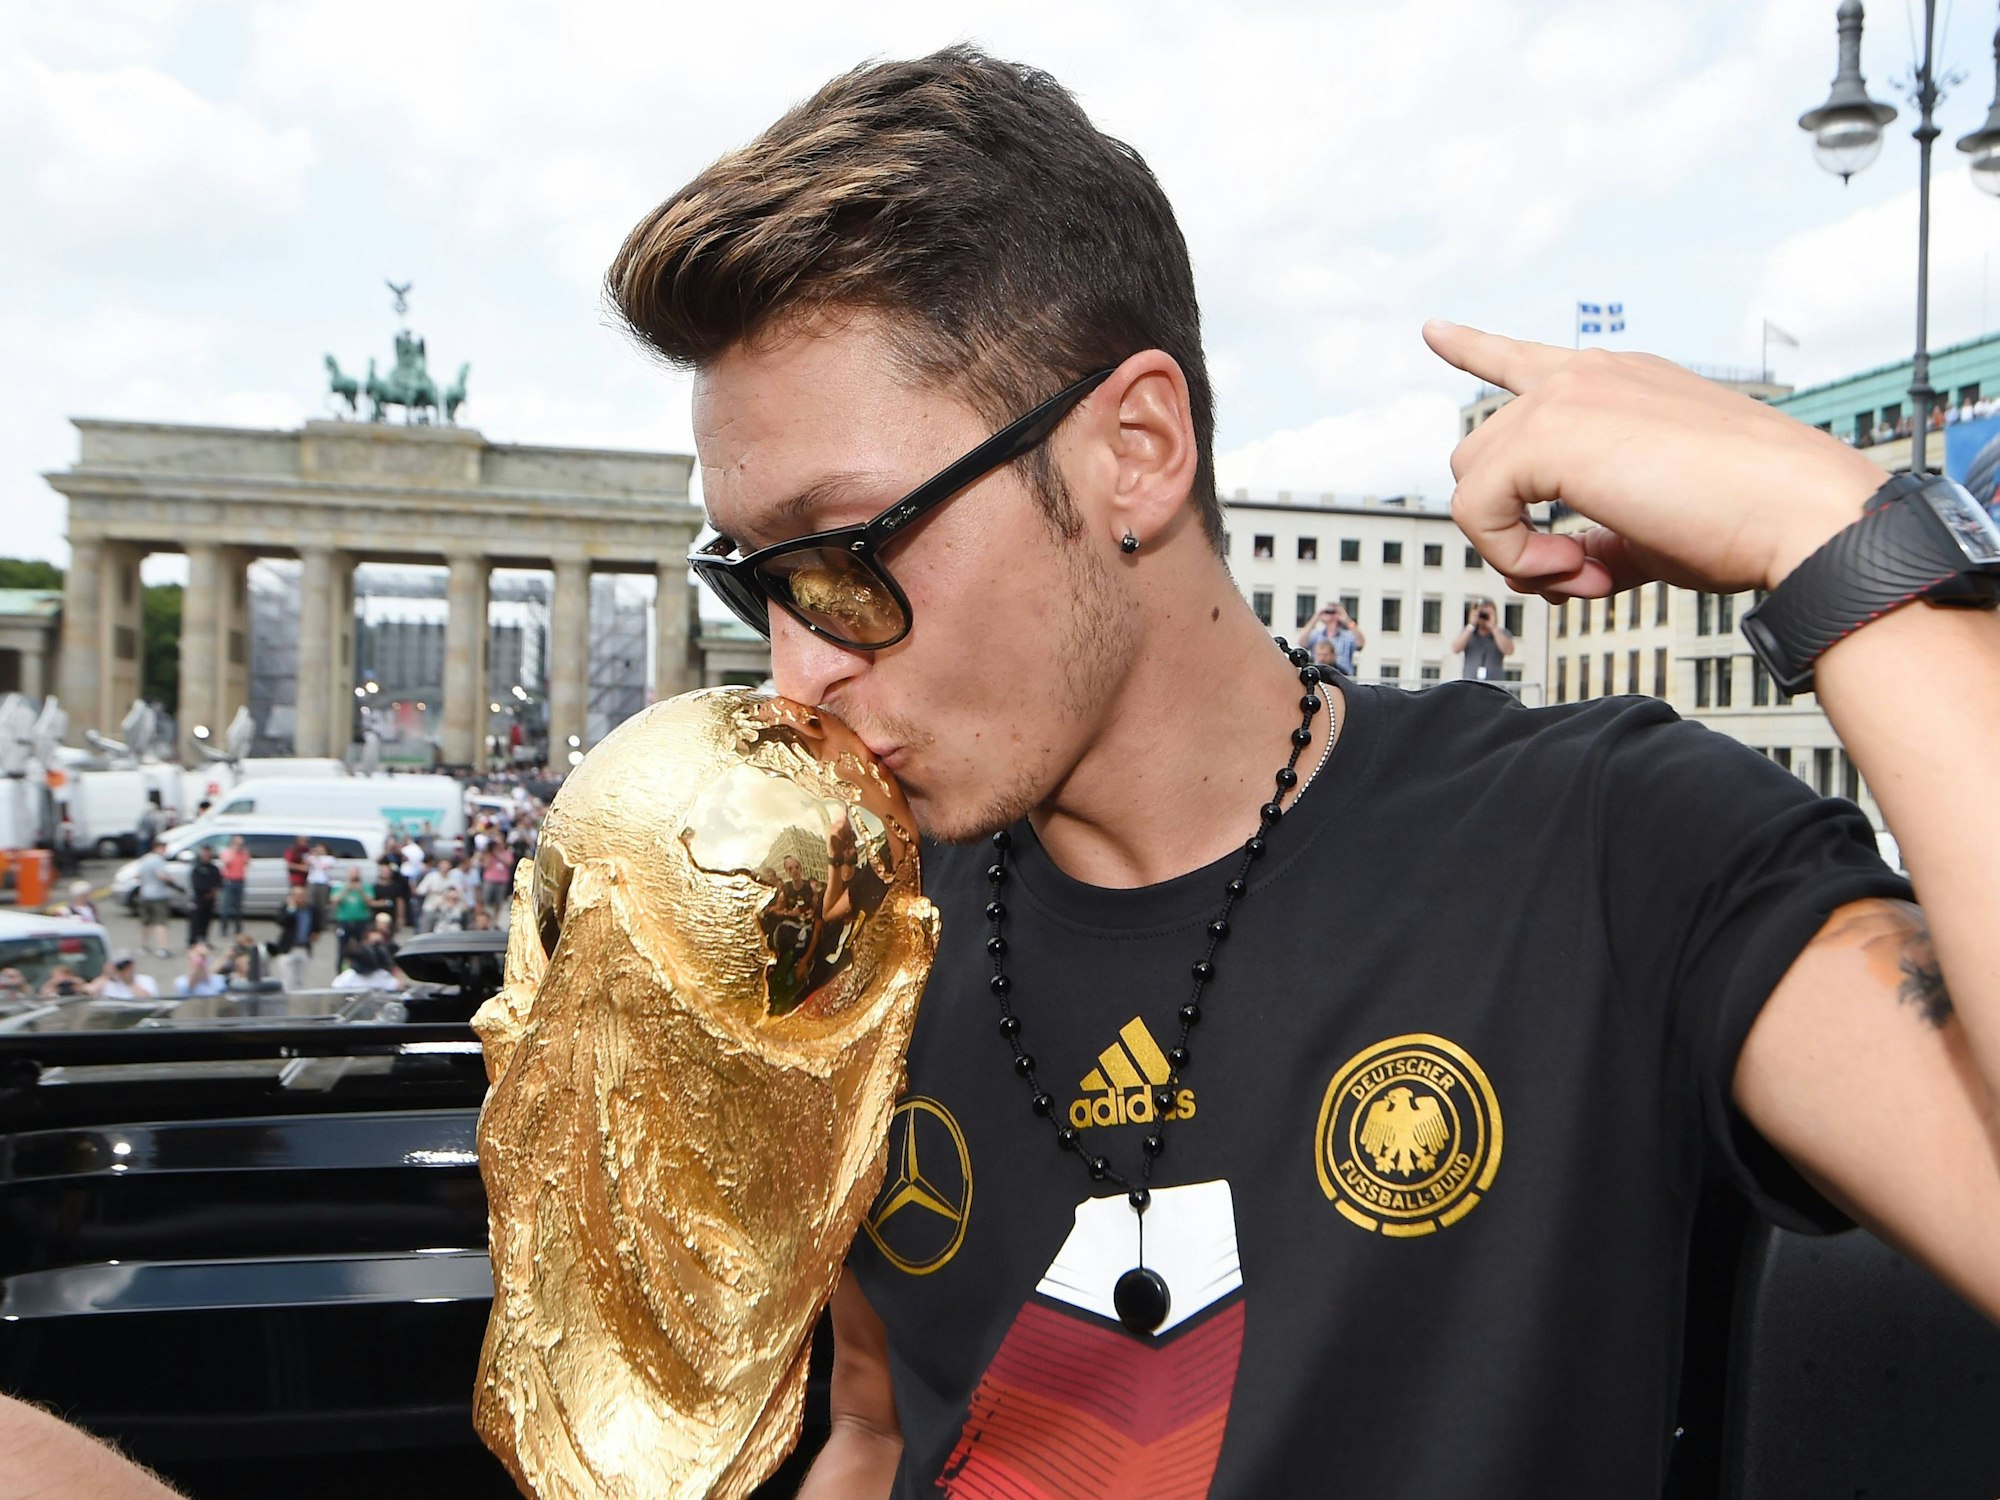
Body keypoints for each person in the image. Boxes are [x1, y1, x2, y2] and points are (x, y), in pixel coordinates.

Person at [604, 48, 2000, 1498]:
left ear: (1134, 451)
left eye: (846, 558)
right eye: (751, 582)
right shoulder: (854, 939)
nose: (799, 671)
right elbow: (881, 1427)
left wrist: (1838, 538)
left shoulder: (1600, 851)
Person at [132, 838, 181, 958]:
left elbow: (137, 875)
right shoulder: (158, 860)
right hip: (158, 895)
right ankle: (162, 948)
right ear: (158, 848)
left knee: (146, 922)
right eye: (164, 848)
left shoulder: (145, 859)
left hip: (145, 893)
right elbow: (161, 875)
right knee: (160, 922)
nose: (165, 851)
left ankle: (143, 946)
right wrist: (171, 879)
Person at [1450, 595, 1515, 681]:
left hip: (1494, 685)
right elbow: (1455, 648)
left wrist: (1493, 627)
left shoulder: (1502, 633)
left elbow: (1509, 651)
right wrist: (1471, 624)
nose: (1483, 617)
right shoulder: (1468, 633)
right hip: (1471, 684)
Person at [270, 886, 318, 993]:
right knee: (288, 980)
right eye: (297, 896)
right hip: (288, 949)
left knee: (300, 980)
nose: (301, 898)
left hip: (303, 947)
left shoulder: (310, 909)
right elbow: (282, 922)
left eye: (303, 896)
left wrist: (315, 934)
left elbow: (317, 924)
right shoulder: (287, 908)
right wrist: (291, 908)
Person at [1298, 600, 1364, 676]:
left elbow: (1360, 643)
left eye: (1334, 612)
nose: (1330, 615)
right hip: (1320, 676)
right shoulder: (1316, 635)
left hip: (1343, 677)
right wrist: (1315, 618)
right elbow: (1301, 642)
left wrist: (1347, 620)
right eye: (1327, 612)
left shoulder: (1347, 636)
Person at [332, 867, 375, 967]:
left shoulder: (366, 887)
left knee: (363, 946)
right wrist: (346, 889)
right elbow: (335, 900)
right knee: (342, 948)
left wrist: (361, 891)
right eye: (352, 874)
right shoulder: (340, 887)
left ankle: (362, 967)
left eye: (356, 874)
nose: (354, 876)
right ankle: (341, 971)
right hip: (344, 920)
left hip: (361, 920)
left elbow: (370, 902)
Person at [185, 843, 222, 949]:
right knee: (196, 919)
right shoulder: (197, 868)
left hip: (210, 899)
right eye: (205, 852)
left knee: (206, 920)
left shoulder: (214, 868)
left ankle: (203, 939)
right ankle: (193, 940)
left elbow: (219, 882)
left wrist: (213, 890)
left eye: (208, 852)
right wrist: (206, 890)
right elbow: (196, 883)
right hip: (199, 898)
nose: (207, 854)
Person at [89, 953, 158, 1001]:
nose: (126, 969)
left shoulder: (146, 980)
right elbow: (90, 992)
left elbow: (149, 1000)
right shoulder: (106, 982)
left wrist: (129, 982)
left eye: (129, 966)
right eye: (123, 967)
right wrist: (107, 974)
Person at [217, 834, 250, 935]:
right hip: (229, 881)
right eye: (238, 843)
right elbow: (225, 862)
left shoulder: (243, 853)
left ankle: (238, 928)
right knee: (226, 907)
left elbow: (247, 862)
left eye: (241, 843)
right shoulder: (227, 852)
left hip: (240, 880)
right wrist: (233, 852)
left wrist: (243, 853)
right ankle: (224, 929)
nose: (240, 845)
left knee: (238, 907)